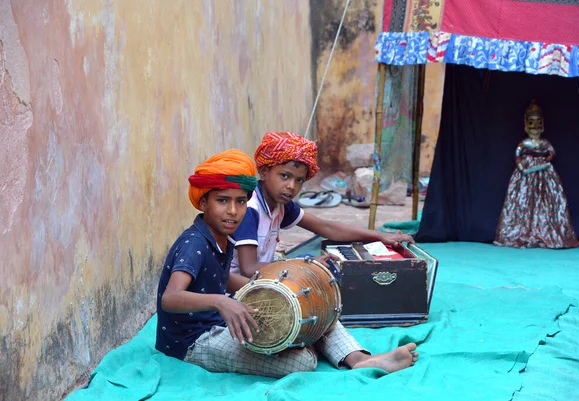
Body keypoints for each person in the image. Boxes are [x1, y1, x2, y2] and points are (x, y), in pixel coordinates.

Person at [155, 148, 418, 378]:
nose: (233, 211)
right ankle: (308, 345)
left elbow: (221, 280)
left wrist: (276, 293)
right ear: (204, 202)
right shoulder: (194, 244)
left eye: (240, 202)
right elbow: (171, 298)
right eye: (222, 201)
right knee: (302, 361)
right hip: (193, 342)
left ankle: (360, 359)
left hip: (220, 319)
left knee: (313, 306)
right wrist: (221, 301)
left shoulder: (221, 236)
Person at [231, 131, 415, 277]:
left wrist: (379, 236)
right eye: (284, 176)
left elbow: (325, 227)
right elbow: (249, 269)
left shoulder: (280, 204)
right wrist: (306, 265)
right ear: (263, 172)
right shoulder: (250, 209)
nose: (291, 186)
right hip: (239, 291)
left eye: (299, 180)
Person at [494, 99, 579, 248]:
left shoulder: (544, 143)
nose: (535, 128)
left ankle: (546, 230)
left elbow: (552, 152)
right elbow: (517, 154)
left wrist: (546, 161)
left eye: (538, 123)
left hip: (545, 174)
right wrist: (521, 167)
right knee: (523, 201)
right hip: (526, 175)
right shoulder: (525, 143)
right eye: (532, 123)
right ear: (526, 124)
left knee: (548, 202)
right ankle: (522, 232)